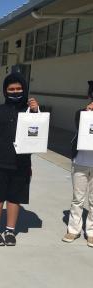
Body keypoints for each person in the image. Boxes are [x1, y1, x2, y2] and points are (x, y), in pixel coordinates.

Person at [0, 73, 39, 247]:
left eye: (19, 89)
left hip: (21, 163)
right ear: (5, 91)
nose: (15, 92)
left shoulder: (31, 111)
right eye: (11, 89)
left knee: (15, 198)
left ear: (25, 89)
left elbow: (38, 133)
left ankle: (10, 230)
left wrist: (36, 112)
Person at [63, 82, 93, 247]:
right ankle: (73, 229)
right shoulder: (80, 113)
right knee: (78, 199)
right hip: (80, 161)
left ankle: (91, 231)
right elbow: (79, 127)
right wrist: (87, 113)